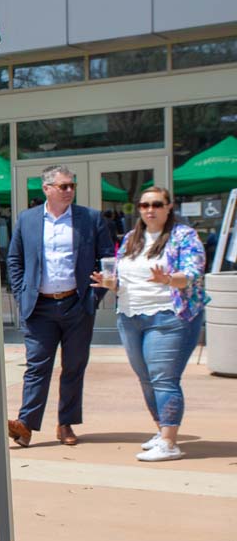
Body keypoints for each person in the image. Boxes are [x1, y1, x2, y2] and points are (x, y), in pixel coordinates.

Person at [92, 187, 206, 462]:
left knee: (164, 380)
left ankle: (170, 442)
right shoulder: (132, 238)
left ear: (169, 207)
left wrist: (167, 279)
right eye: (144, 205)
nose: (149, 210)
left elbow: (192, 274)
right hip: (131, 316)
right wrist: (110, 284)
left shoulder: (183, 236)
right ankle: (161, 431)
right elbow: (123, 280)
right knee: (146, 380)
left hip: (168, 316)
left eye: (156, 204)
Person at [6, 164, 113, 447]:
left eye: (71, 186)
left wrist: (93, 296)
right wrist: (21, 293)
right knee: (36, 366)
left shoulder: (90, 218)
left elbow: (107, 259)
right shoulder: (26, 220)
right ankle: (26, 425)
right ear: (47, 189)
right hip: (39, 307)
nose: (69, 191)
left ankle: (65, 423)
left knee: (73, 366)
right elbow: (14, 260)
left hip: (76, 304)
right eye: (63, 186)